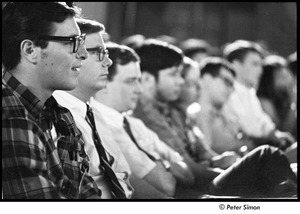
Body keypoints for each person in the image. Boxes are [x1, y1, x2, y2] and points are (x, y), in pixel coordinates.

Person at [133, 39, 297, 198]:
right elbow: (188, 170)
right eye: (174, 75)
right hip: (198, 189)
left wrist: (219, 162)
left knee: (275, 167)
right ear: (147, 78)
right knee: (266, 155)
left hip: (205, 179)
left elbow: (203, 155)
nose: (180, 82)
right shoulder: (147, 114)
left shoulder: (172, 112)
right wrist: (229, 168)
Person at [2, 2, 102, 199]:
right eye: (72, 42)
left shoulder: (59, 114)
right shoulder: (10, 114)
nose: (82, 53)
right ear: (31, 50)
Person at [91, 42, 193, 198]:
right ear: (103, 82)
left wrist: (163, 167)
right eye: (131, 81)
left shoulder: (134, 124)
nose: (139, 89)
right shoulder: (101, 127)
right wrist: (167, 164)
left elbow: (187, 172)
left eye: (139, 80)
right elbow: (166, 186)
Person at [53, 18, 132, 199]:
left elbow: (124, 175)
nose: (109, 62)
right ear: (74, 55)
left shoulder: (94, 113)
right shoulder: (59, 116)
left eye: (106, 52)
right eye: (98, 52)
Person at [222, 40, 295, 150]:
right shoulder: (229, 94)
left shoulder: (249, 93)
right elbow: (247, 132)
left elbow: (264, 124)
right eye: (255, 64)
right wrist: (273, 138)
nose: (260, 70)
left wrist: (277, 135)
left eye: (261, 65)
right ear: (236, 65)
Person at [193, 57, 256, 154]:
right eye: (227, 82)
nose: (231, 90)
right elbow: (207, 156)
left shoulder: (225, 113)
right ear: (207, 78)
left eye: (232, 86)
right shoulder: (198, 113)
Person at [257, 55, 297, 140]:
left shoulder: (285, 97)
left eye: (287, 75)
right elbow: (283, 131)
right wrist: (293, 103)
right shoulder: (264, 101)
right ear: (269, 81)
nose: (287, 81)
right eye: (281, 77)